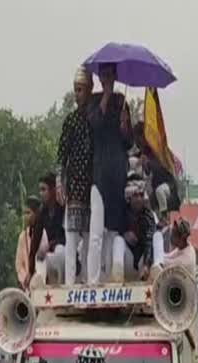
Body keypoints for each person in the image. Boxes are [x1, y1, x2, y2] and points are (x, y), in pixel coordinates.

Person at [85, 62, 133, 285]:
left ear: (115, 75)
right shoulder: (94, 101)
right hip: (99, 173)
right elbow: (94, 123)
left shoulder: (122, 102)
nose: (107, 78)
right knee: (96, 232)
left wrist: (124, 127)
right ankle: (93, 279)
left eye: (110, 74)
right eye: (103, 75)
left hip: (117, 172)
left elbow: (128, 142)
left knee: (113, 231)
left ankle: (108, 276)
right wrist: (104, 94)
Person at [57, 66, 94, 286]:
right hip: (74, 187)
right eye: (76, 90)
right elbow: (61, 155)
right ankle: (71, 283)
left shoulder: (96, 119)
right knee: (71, 238)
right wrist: (60, 185)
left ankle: (89, 280)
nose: (77, 94)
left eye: (81, 89)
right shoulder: (70, 121)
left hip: (93, 185)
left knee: (91, 238)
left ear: (90, 90)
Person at [15, 196, 41, 289]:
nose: (25, 216)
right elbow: (19, 264)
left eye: (28, 213)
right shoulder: (23, 236)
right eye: (24, 213)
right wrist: (24, 278)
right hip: (27, 285)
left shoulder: (44, 233)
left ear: (37, 214)